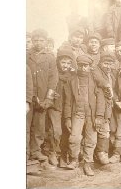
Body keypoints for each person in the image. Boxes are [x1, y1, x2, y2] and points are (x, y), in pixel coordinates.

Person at [62, 53, 105, 176]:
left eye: (85, 66)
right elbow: (68, 101)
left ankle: (87, 164)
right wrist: (67, 118)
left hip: (91, 114)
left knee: (91, 139)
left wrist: (99, 116)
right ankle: (74, 160)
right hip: (77, 113)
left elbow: (101, 99)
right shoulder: (72, 80)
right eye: (80, 65)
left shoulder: (95, 79)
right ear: (77, 66)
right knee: (74, 138)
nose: (83, 68)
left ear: (89, 66)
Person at [27, 29, 59, 164]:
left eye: (41, 40)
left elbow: (53, 78)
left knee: (39, 126)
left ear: (46, 41)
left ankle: (36, 151)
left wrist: (48, 98)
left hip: (43, 97)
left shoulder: (50, 57)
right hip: (29, 96)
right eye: (35, 40)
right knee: (26, 125)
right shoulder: (26, 55)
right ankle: (25, 152)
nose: (38, 43)